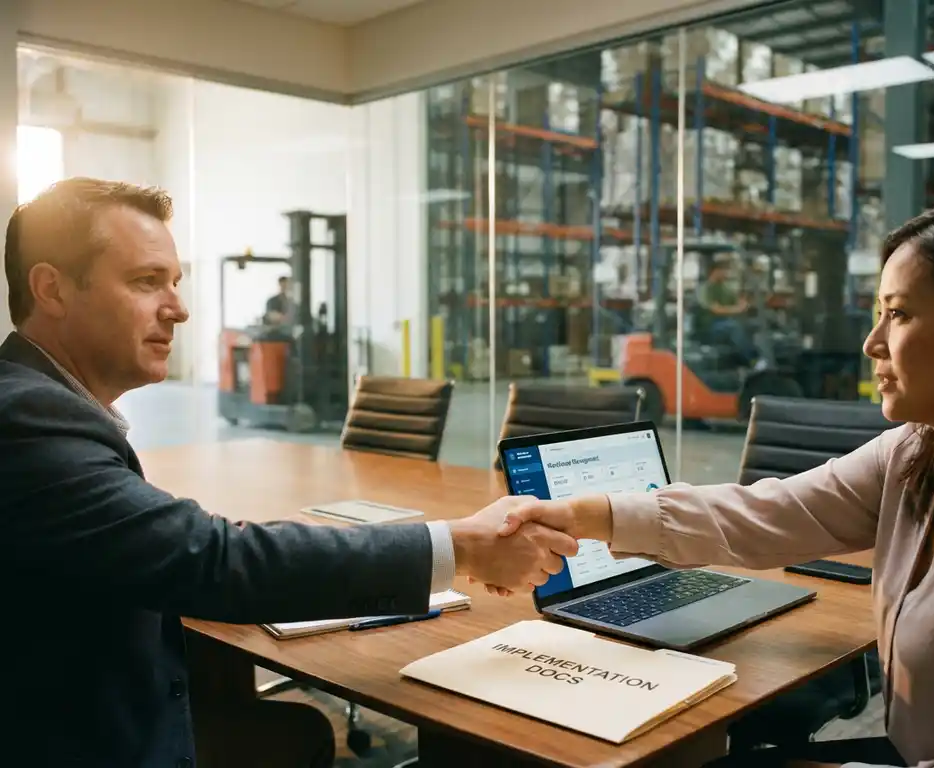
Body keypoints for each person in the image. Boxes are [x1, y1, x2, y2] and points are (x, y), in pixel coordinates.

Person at [0, 178, 578, 768]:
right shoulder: (26, 417)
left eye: (175, 282)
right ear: (52, 289)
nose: (178, 308)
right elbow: (212, 560)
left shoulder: (42, 404)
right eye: (147, 281)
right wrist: (463, 546)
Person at [499, 199, 934, 768]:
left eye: (897, 314)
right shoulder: (915, 455)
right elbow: (767, 513)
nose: (872, 343)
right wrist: (588, 516)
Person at [698, 261, 759, 365]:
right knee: (734, 327)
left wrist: (746, 303)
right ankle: (751, 360)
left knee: (752, 324)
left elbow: (737, 301)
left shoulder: (725, 287)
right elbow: (716, 309)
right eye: (723, 270)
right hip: (711, 325)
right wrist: (737, 309)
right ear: (714, 271)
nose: (726, 273)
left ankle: (759, 356)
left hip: (727, 321)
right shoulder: (705, 288)